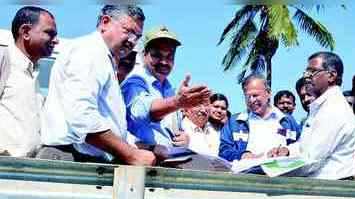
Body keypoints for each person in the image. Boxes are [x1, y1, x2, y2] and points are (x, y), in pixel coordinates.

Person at [40, 5, 156, 166]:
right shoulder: (89, 52)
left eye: (137, 36)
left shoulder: (103, 57)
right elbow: (82, 115)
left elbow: (108, 120)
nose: (132, 41)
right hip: (71, 160)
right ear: (105, 22)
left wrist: (145, 149)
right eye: (128, 31)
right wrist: (131, 154)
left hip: (86, 159)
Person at [271, 52, 355, 180]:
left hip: (329, 190)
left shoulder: (334, 109)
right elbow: (305, 146)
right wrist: (287, 151)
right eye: (305, 73)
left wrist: (271, 170)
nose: (306, 78)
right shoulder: (321, 106)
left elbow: (310, 161)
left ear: (331, 76)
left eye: (312, 72)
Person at [121, 25, 211, 147]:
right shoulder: (135, 81)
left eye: (169, 56)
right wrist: (177, 103)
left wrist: (184, 138)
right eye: (157, 55)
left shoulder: (169, 90)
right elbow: (141, 113)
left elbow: (174, 130)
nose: (164, 62)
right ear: (143, 54)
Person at [0, 6, 58, 157]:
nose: (56, 40)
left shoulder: (34, 74)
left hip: (26, 171)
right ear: (25, 32)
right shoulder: (4, 60)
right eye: (49, 33)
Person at [219, 74, 299, 165]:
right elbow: (223, 151)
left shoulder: (287, 121)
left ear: (268, 93)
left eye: (255, 95)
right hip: (247, 175)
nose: (251, 100)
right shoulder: (235, 122)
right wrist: (242, 155)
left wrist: (287, 150)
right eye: (247, 96)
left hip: (280, 175)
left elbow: (301, 145)